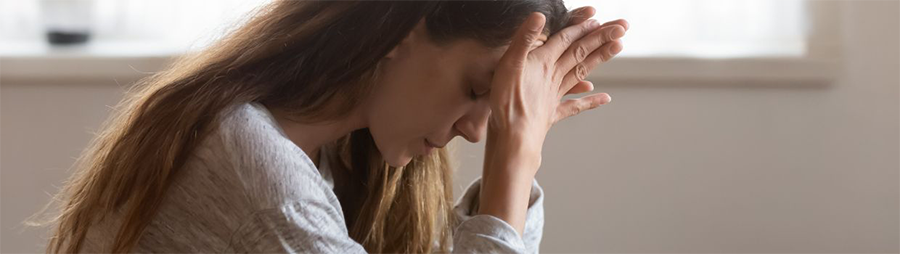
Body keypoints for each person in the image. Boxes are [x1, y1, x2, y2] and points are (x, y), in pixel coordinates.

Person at [43, 0, 627, 253]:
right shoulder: (263, 181)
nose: (480, 132)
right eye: (478, 90)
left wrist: (516, 171)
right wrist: (514, 160)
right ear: (403, 30)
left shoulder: (336, 156)